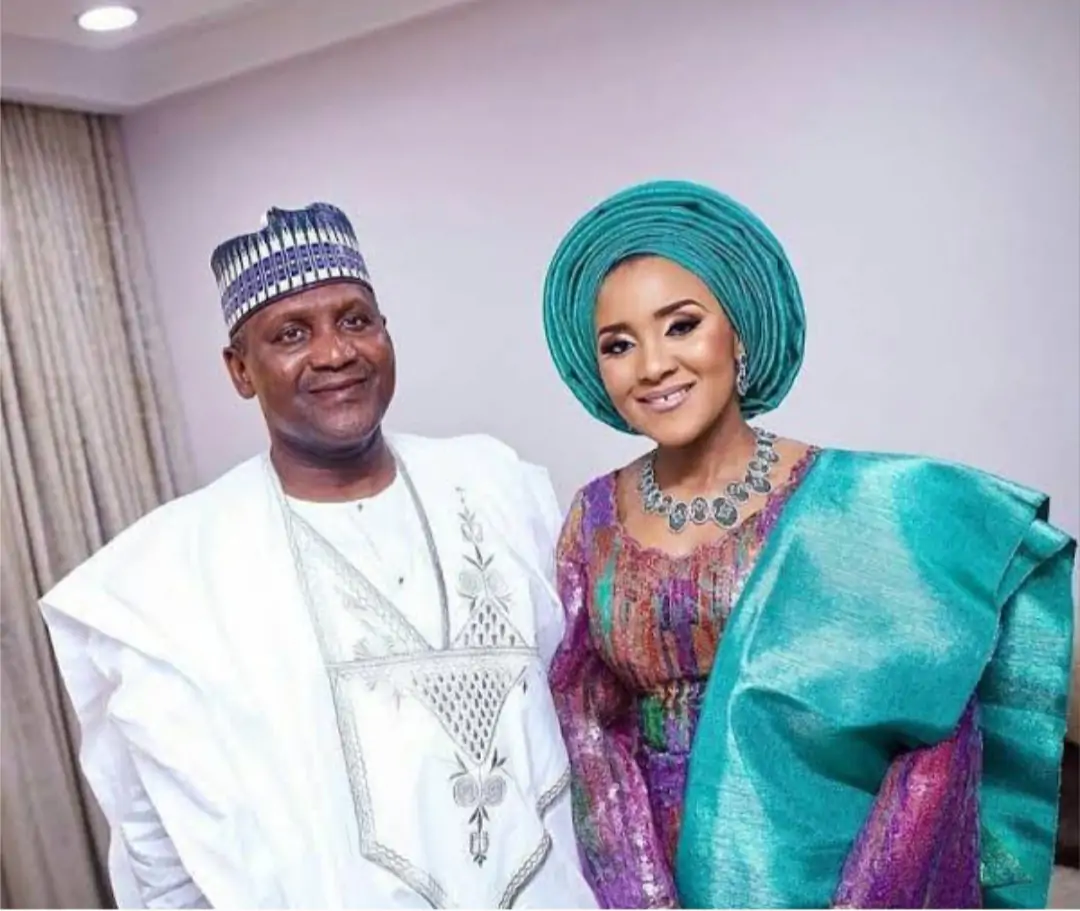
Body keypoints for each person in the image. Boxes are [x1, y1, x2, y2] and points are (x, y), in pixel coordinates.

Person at [41, 202, 597, 909]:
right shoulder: (165, 578)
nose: (335, 353)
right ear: (241, 369)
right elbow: (160, 840)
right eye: (292, 333)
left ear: (386, 333)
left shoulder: (497, 485)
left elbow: (584, 704)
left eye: (355, 320)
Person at [541, 180, 1075, 908]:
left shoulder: (853, 506)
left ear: (738, 333)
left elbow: (933, 720)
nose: (653, 365)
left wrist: (870, 893)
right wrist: (637, 890)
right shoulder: (594, 517)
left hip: (825, 869)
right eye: (619, 344)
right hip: (641, 875)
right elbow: (584, 718)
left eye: (681, 325)